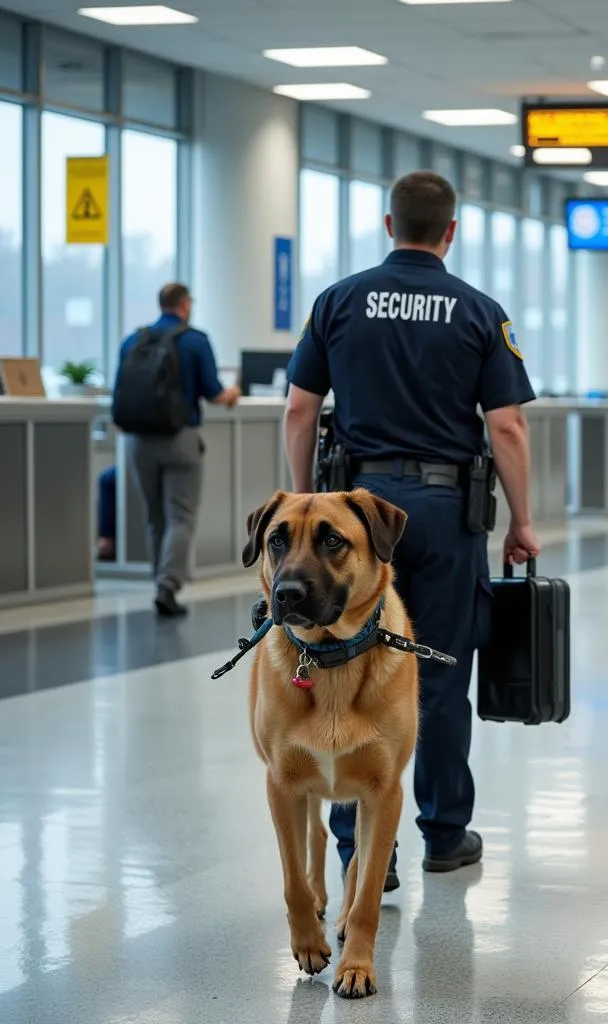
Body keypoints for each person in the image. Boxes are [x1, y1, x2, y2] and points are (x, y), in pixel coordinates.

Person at [283, 170, 540, 887]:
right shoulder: (479, 311)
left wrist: (309, 507)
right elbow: (508, 426)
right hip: (444, 511)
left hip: (354, 520)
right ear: (450, 231)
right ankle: (445, 832)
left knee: (345, 673)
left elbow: (301, 410)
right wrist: (521, 520)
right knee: (437, 674)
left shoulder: (336, 302)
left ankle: (363, 847)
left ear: (388, 224)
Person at [114, 283, 240, 616]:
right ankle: (168, 586)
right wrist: (232, 394)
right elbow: (213, 392)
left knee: (155, 517)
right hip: (180, 439)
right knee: (180, 516)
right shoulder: (194, 339)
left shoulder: (133, 340)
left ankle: (159, 580)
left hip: (139, 442)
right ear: (185, 305)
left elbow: (120, 393)